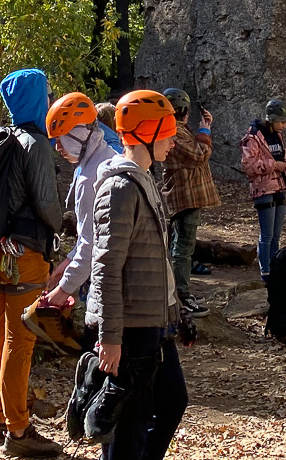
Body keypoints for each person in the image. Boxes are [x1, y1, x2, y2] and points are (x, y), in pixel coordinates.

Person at [89, 90, 188, 460]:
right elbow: (106, 267)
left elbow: (154, 258)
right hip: (129, 328)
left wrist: (177, 312)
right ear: (146, 132)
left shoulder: (143, 179)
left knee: (172, 400)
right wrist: (110, 338)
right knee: (127, 426)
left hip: (153, 321)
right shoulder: (119, 188)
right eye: (168, 131)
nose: (174, 139)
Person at [0, 69, 65, 458]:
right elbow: (47, 205)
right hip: (27, 255)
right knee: (21, 340)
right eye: (46, 95)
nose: (50, 101)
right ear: (37, 100)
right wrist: (62, 225)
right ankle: (18, 431)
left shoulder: (0, 140)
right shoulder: (36, 144)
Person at [38, 92, 121, 313]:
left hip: (114, 285)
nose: (58, 148)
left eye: (61, 138)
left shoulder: (90, 178)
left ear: (80, 134)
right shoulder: (112, 156)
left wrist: (61, 292)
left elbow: (90, 245)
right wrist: (66, 265)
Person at [158, 88, 219, 317]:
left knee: (181, 246)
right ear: (183, 110)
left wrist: (203, 128)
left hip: (187, 195)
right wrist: (205, 130)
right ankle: (181, 297)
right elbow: (198, 154)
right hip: (185, 196)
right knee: (182, 249)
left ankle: (180, 293)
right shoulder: (172, 132)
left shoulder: (177, 130)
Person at [239, 98, 286, 280]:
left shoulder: (277, 136)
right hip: (263, 190)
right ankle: (266, 272)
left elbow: (278, 157)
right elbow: (249, 165)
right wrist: (276, 165)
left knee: (276, 236)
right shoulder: (253, 136)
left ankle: (275, 269)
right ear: (271, 119)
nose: (284, 126)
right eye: (282, 121)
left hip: (279, 187)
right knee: (267, 234)